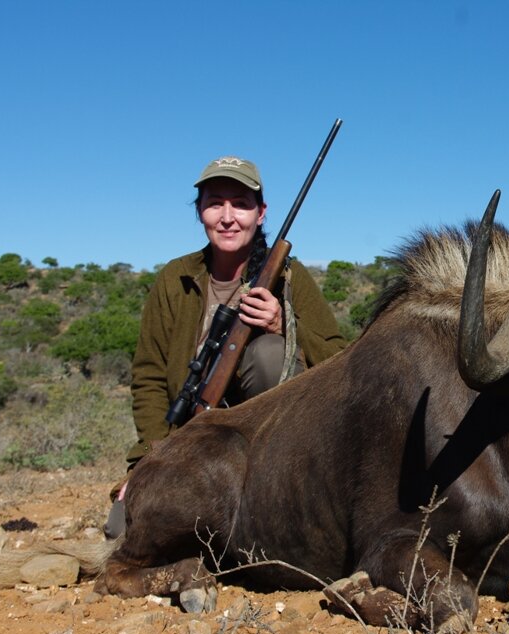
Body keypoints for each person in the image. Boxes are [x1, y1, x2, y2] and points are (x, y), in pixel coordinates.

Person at [104, 156, 347, 537]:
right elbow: (149, 377)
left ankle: (284, 500)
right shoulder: (175, 278)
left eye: (241, 204)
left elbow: (338, 359)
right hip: (191, 439)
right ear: (200, 211)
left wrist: (283, 325)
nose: (228, 216)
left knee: (268, 354)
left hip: (269, 449)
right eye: (215, 202)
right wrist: (148, 461)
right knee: (124, 531)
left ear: (261, 213)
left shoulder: (291, 276)